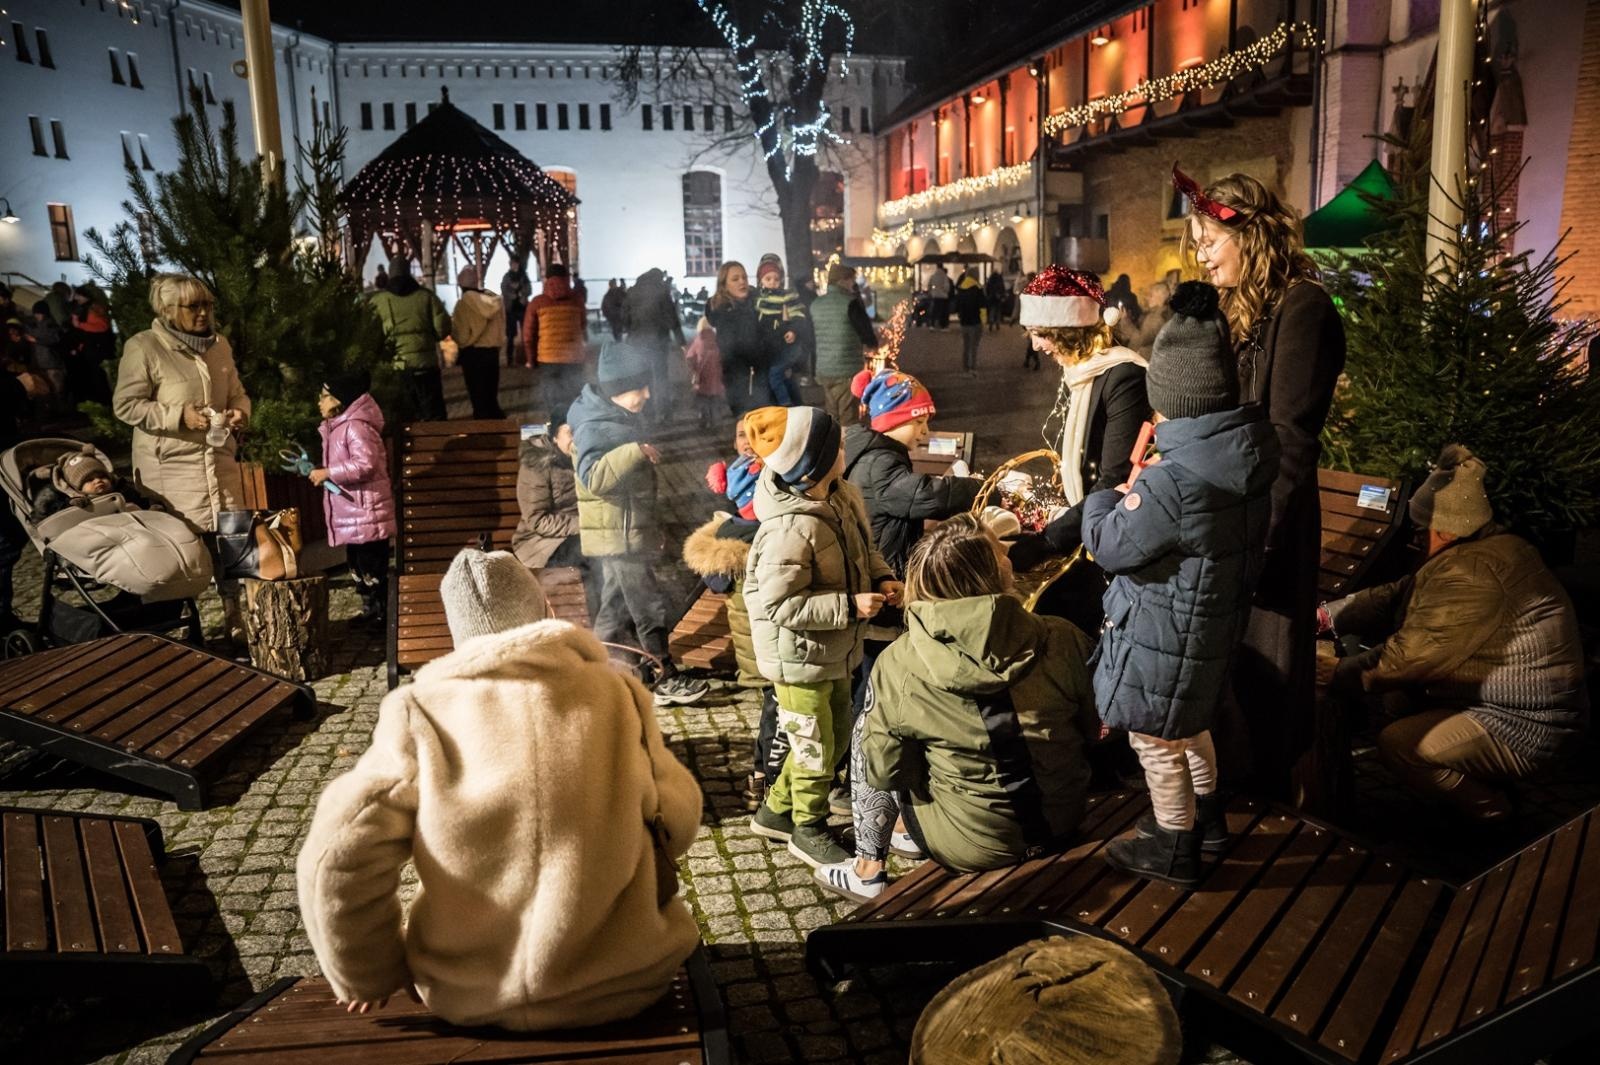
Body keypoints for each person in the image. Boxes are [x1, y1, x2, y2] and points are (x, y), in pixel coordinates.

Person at [297, 548, 702, 1029]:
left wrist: (369, 972)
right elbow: (677, 820)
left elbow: (339, 851)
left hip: (467, 995)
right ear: (540, 609)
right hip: (622, 984)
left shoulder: (419, 711)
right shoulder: (618, 694)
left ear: (457, 630)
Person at [1086, 282, 1279, 886]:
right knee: (1190, 723)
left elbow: (1112, 543)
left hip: (1163, 632)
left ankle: (1174, 844)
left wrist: (1102, 498)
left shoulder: (1175, 481)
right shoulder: (1243, 457)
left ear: (1172, 399)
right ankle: (1208, 820)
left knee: (1156, 737)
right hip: (1207, 628)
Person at [816, 514, 1099, 900]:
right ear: (997, 575)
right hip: (1063, 817)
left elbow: (885, 771)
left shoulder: (899, 663)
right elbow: (1090, 727)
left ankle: (868, 869)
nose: (1009, 554)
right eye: (1002, 551)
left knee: (872, 734)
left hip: (969, 844)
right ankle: (901, 837)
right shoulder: (1061, 635)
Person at [1176, 164, 1346, 799]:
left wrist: (1259, 543)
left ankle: (1270, 807)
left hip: (1266, 529)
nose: (1202, 256)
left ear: (1248, 235)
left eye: (1209, 242)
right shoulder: (1240, 307)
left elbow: (1292, 441)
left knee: (1267, 678)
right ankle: (1229, 799)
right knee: (1223, 675)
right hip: (1225, 522)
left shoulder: (1302, 310)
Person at [1324, 445, 1588, 822]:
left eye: (1419, 532)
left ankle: (1494, 814)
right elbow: (1398, 593)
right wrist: (1328, 617)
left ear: (1447, 530)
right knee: (1398, 702)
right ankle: (1468, 787)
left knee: (1401, 744)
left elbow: (1405, 659)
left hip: (1529, 722)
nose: (1414, 541)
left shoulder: (1472, 576)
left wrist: (1334, 672)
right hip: (1499, 699)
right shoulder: (1488, 548)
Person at [744, 405, 899, 869]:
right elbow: (775, 606)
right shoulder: (790, 529)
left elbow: (865, 549)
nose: (845, 450)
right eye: (837, 447)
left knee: (828, 737)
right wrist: (849, 607)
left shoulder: (841, 493)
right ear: (814, 463)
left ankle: (775, 812)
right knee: (813, 744)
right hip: (797, 656)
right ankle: (808, 828)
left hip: (831, 649)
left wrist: (883, 577)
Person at [1006, 266, 1149, 637]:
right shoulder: (1082, 372)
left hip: (1110, 540)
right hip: (1083, 527)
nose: (1035, 345)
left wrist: (1048, 541)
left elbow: (1114, 480)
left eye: (1040, 334)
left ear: (1068, 329)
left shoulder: (1123, 376)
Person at [569, 341, 709, 707]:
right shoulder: (595, 427)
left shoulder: (617, 418)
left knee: (614, 607)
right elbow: (593, 477)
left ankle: (589, 672)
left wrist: (652, 526)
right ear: (616, 389)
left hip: (628, 531)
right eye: (638, 388)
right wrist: (634, 452)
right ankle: (664, 675)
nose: (647, 394)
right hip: (617, 535)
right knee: (647, 604)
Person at [112, 274, 251, 535]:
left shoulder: (219, 345)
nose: (203, 313)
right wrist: (178, 416)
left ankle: (234, 577)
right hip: (171, 473)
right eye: (193, 306)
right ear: (167, 310)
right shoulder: (144, 347)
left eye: (207, 305)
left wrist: (240, 411)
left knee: (237, 548)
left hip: (221, 466)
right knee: (191, 556)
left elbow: (237, 392)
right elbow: (126, 405)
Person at [312, 370, 396, 626]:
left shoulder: (355, 427)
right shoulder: (337, 428)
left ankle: (384, 612)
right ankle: (370, 608)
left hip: (366, 513)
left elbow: (366, 464)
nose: (319, 401)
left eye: (324, 396)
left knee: (372, 567)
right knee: (357, 567)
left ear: (339, 399)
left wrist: (330, 472)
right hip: (353, 514)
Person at [512, 415, 601, 623]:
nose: (577, 439)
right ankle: (600, 632)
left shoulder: (587, 456)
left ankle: (615, 627)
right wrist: (584, 525)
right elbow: (537, 520)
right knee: (591, 555)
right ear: (554, 437)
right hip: (540, 542)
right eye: (570, 432)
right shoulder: (537, 464)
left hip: (583, 531)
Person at [370, 257, 451, 422]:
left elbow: (371, 334)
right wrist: (430, 338)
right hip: (425, 365)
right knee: (433, 413)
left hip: (396, 367)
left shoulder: (378, 301)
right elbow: (442, 328)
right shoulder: (427, 297)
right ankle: (436, 445)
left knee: (403, 416)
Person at [810, 263, 878, 426]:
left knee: (832, 415)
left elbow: (811, 338)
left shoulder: (815, 305)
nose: (853, 284)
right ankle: (848, 449)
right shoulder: (851, 303)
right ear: (842, 280)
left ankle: (833, 447)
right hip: (847, 369)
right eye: (851, 280)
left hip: (824, 369)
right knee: (849, 417)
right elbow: (865, 331)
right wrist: (872, 344)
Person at [706, 261, 774, 416]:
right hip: (736, 373)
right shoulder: (721, 309)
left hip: (762, 370)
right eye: (735, 279)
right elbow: (730, 345)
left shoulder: (759, 303)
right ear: (724, 284)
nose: (742, 282)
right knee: (743, 416)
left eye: (744, 277)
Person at [522, 263, 589, 417]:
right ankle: (575, 430)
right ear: (567, 278)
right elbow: (583, 325)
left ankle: (557, 431)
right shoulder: (577, 299)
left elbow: (528, 335)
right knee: (574, 397)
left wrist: (531, 360)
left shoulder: (538, 302)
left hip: (548, 359)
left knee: (552, 399)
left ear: (547, 280)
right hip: (574, 358)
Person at [622, 268, 685, 425]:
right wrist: (681, 340)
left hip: (637, 343)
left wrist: (630, 331)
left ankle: (647, 415)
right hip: (658, 342)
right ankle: (665, 414)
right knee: (661, 378)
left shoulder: (633, 291)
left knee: (644, 379)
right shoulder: (662, 291)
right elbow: (672, 317)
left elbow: (624, 316)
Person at [30, 445, 148, 520]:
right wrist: (71, 506)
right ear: (76, 487)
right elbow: (59, 520)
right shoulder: (68, 502)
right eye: (89, 480)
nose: (97, 480)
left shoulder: (124, 490)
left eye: (102, 476)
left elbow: (143, 504)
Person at [451, 267, 507, 420]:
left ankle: (483, 432)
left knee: (478, 397)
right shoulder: (494, 301)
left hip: (472, 354)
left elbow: (460, 335)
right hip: (491, 352)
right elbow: (502, 327)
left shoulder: (463, 305)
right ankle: (498, 426)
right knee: (491, 395)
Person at [754, 254, 809, 406]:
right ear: (761, 280)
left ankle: (787, 403)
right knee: (778, 377)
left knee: (778, 375)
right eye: (768, 279)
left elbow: (798, 314)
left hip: (784, 346)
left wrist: (793, 330)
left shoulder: (786, 296)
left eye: (776, 279)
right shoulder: (758, 298)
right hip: (768, 348)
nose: (773, 283)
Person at [683, 318, 724, 430]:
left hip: (702, 377)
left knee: (703, 400)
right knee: (714, 400)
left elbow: (690, 357)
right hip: (717, 378)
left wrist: (693, 369)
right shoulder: (718, 340)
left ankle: (703, 420)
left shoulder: (698, 340)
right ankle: (715, 421)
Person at [1128, 279, 1174, 360]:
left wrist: (1125, 322)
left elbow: (1141, 341)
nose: (1148, 298)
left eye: (1151, 295)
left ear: (1161, 298)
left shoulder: (1155, 318)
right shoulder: (1166, 313)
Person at [500, 259, 532, 366]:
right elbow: (504, 290)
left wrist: (522, 295)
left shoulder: (524, 276)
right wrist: (514, 295)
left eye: (515, 263)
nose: (514, 265)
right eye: (512, 263)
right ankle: (510, 360)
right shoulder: (507, 277)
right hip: (511, 309)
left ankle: (526, 358)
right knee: (510, 335)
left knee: (526, 334)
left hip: (522, 307)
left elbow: (529, 289)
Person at [953, 269, 984, 376]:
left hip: (964, 322)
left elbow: (957, 306)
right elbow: (983, 305)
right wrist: (984, 321)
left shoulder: (961, 288)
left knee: (966, 346)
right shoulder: (978, 288)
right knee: (974, 346)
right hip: (975, 321)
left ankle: (965, 366)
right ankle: (972, 367)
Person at [926, 264, 952, 329]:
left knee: (934, 311)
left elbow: (929, 285)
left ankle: (932, 325)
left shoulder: (933, 276)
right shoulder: (944, 276)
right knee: (943, 312)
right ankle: (943, 326)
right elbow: (947, 287)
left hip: (935, 296)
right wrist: (945, 291)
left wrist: (931, 292)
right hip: (943, 296)